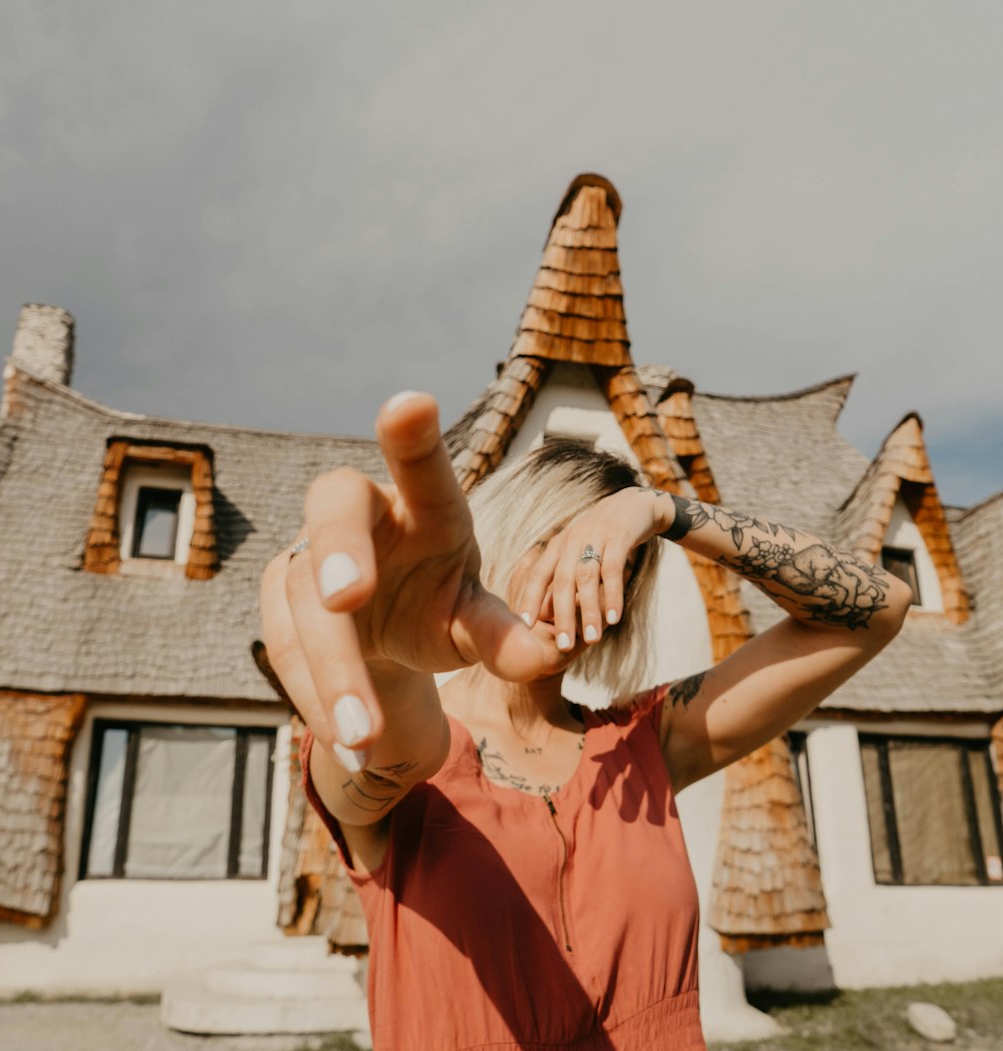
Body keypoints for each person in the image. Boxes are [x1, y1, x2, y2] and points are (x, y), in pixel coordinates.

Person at [261, 391, 910, 1050]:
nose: (583, 583)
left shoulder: (647, 743)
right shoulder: (409, 753)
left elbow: (880, 606)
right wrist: (387, 658)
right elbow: (395, 741)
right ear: (501, 539)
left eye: (616, 569)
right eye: (558, 545)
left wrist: (660, 510)